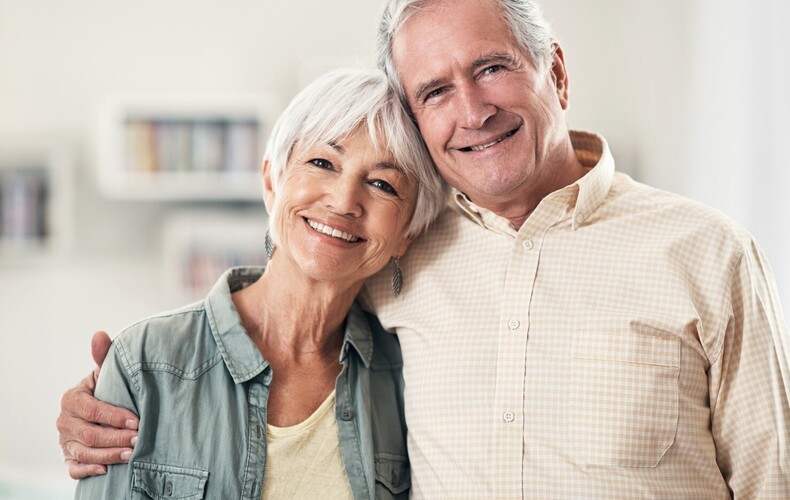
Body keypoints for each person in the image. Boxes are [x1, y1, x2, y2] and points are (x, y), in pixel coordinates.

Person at [60, 0, 790, 497]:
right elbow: (286, 299)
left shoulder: (706, 253)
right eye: (434, 91)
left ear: (557, 73)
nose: (471, 111)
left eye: (493, 68)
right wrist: (106, 399)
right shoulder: (399, 254)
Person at [70, 67, 447, 499]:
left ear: (408, 235)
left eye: (382, 184)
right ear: (272, 181)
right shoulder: (145, 363)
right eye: (323, 162)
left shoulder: (406, 375)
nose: (344, 202)